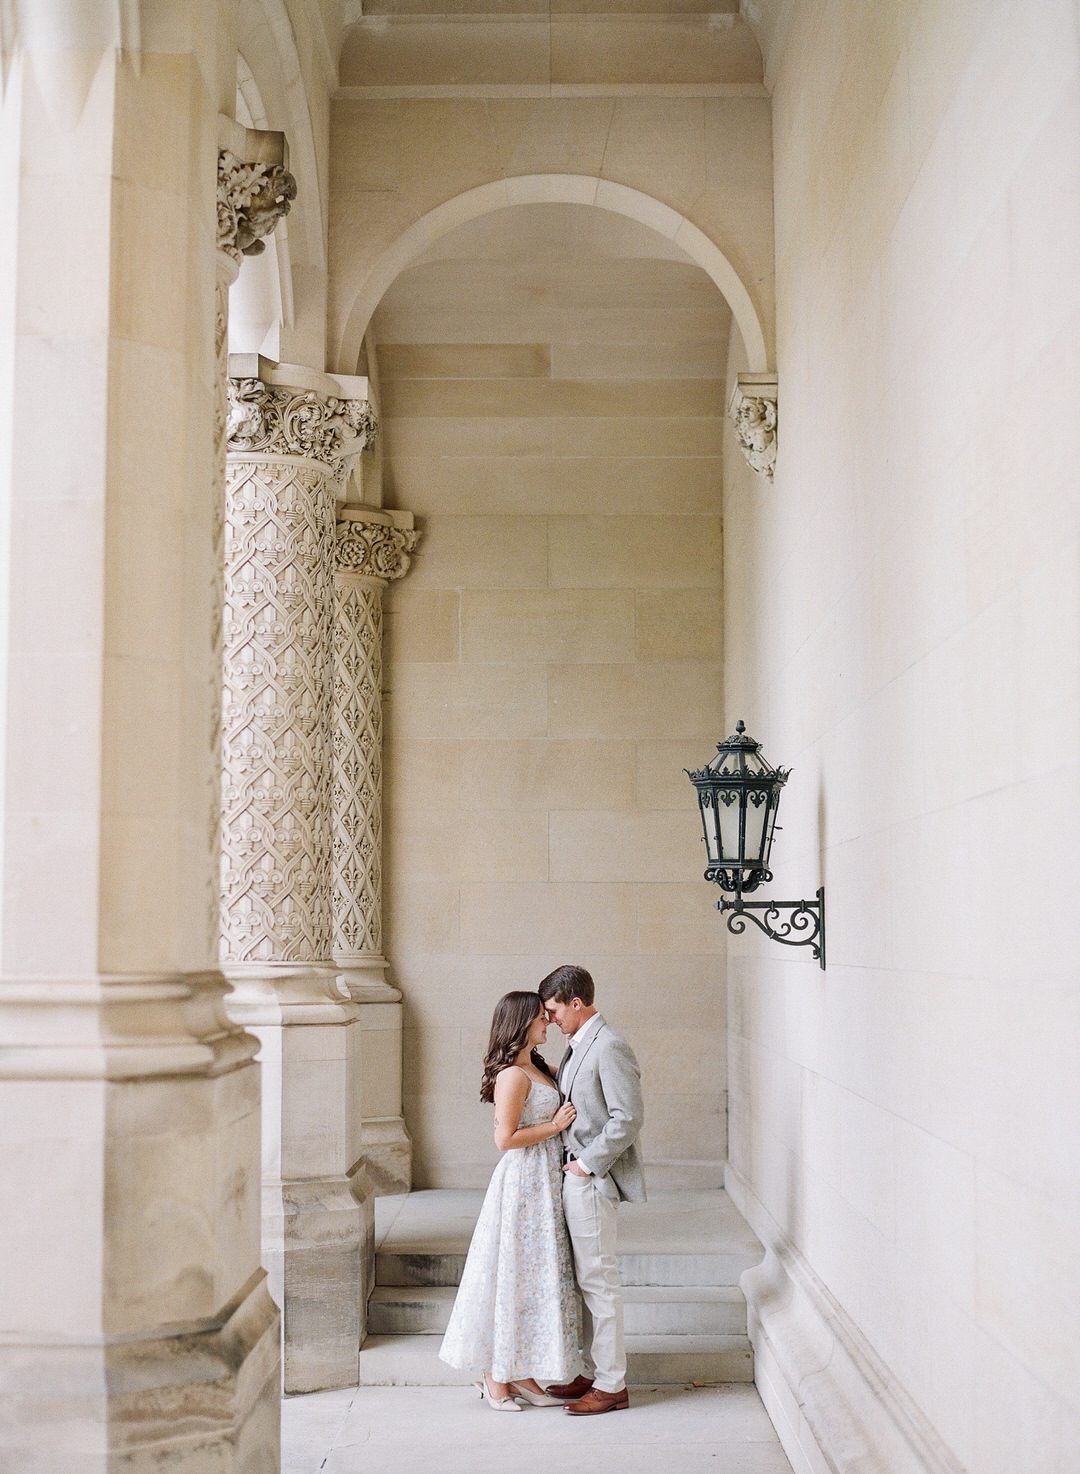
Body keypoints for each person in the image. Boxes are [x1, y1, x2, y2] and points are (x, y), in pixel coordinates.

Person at [439, 991, 583, 1410]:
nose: (548, 1023)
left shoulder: (535, 1067)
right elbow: (505, 1139)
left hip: (544, 1181)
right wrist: (554, 1127)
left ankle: (519, 1372)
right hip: (523, 1182)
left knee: (531, 1277)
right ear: (522, 1024)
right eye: (541, 1017)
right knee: (513, 1274)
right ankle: (495, 1376)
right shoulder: (511, 1076)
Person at [538, 964, 645, 1416]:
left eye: (554, 1010)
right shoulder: (577, 1045)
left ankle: (612, 1384)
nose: (550, 1020)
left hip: (592, 1181)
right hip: (573, 1178)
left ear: (576, 1003)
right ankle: (589, 1371)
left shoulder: (610, 1045)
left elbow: (628, 1118)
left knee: (600, 1282)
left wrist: (585, 1164)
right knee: (583, 1282)